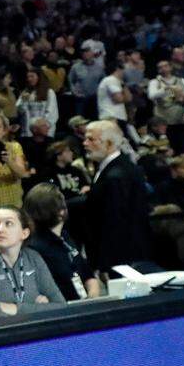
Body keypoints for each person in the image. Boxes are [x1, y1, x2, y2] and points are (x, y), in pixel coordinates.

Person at [83, 120, 151, 276]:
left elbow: (115, 222)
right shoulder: (112, 169)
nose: (85, 143)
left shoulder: (117, 175)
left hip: (122, 259)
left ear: (109, 143)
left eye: (91, 139)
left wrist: (106, 262)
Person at [0, 205, 65, 315]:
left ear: (24, 233)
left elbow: (60, 305)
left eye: (8, 223)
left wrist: (13, 308)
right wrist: (38, 308)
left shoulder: (33, 258)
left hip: (37, 328)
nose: (0, 229)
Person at [23, 183, 101, 301]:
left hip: (82, 305)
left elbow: (87, 274)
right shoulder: (34, 247)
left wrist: (92, 295)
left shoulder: (65, 237)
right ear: (61, 212)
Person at [17, 67, 59, 140]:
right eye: (28, 77)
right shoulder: (26, 92)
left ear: (39, 77)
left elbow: (52, 112)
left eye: (32, 76)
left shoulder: (49, 92)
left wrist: (42, 126)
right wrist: (23, 101)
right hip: (28, 130)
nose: (29, 79)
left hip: (44, 130)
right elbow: (20, 110)